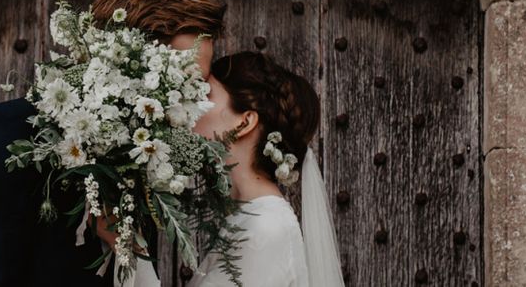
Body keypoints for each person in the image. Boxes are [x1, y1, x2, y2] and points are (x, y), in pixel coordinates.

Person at [0, 0, 227, 287]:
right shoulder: (9, 134)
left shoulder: (140, 170)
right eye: (186, 79)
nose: (195, 97)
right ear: (129, 60)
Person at [100, 51, 345, 287]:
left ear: (245, 121)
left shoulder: (268, 229)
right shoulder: (248, 218)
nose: (191, 105)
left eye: (207, 94)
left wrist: (129, 246)